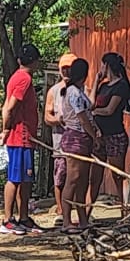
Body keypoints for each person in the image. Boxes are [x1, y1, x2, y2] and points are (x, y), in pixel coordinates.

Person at [0, 42, 43, 235]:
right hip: (19, 136)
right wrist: (6, 129)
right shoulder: (23, 79)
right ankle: (7, 220)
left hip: (25, 136)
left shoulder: (17, 76)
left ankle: (23, 218)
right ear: (35, 62)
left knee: (25, 179)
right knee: (14, 179)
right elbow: (9, 107)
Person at [88, 52, 130, 218]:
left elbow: (109, 110)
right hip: (100, 136)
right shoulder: (104, 85)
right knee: (95, 175)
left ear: (107, 65)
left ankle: (123, 209)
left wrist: (92, 113)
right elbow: (91, 103)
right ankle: (87, 211)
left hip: (114, 134)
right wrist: (96, 82)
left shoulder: (121, 86)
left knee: (117, 174)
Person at [57, 58, 98, 233]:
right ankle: (66, 220)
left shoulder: (78, 92)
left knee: (82, 180)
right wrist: (94, 136)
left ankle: (82, 219)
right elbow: (82, 117)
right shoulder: (72, 92)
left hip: (83, 139)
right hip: (76, 138)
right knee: (72, 179)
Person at [44, 53, 77, 219]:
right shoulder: (53, 91)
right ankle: (60, 208)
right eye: (64, 68)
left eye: (70, 68)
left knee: (78, 176)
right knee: (60, 176)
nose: (67, 71)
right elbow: (47, 116)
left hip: (79, 143)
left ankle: (78, 209)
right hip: (60, 142)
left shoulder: (83, 89)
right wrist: (58, 119)